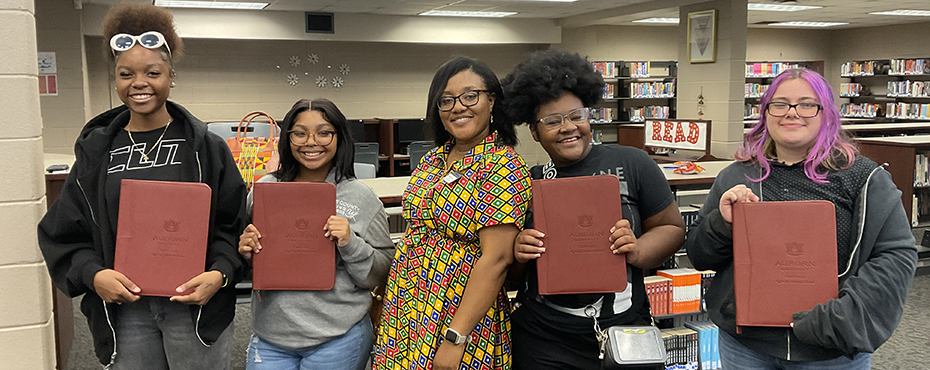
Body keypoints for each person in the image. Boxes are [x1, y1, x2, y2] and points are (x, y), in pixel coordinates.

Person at [36, 3, 247, 369]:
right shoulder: (97, 152)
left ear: (171, 75)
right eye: (125, 73)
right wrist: (94, 274)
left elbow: (233, 224)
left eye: (152, 72)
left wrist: (220, 272)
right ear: (115, 79)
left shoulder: (205, 148)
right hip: (126, 312)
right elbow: (64, 233)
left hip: (194, 309)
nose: (139, 83)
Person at [684, 68, 917, 369]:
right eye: (779, 104)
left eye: (807, 104)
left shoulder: (864, 178)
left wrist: (840, 319)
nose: (792, 113)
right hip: (747, 345)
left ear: (826, 113)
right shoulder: (737, 176)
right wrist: (722, 225)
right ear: (765, 113)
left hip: (829, 348)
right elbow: (700, 256)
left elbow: (896, 255)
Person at [500, 49, 686, 369]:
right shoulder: (526, 182)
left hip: (625, 330)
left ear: (589, 117)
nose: (568, 127)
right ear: (534, 131)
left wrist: (637, 249)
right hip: (545, 337)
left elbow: (672, 228)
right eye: (552, 121)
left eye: (576, 115)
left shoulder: (632, 162)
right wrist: (518, 251)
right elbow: (512, 277)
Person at [372, 56, 532, 370]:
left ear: (491, 100)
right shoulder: (432, 159)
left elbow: (496, 260)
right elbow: (415, 232)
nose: (458, 107)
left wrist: (456, 337)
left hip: (460, 316)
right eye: (446, 100)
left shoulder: (503, 165)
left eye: (470, 96)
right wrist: (383, 296)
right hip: (407, 307)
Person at [237, 98, 395, 370]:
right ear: (288, 138)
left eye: (324, 132)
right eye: (300, 133)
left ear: (339, 138)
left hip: (338, 336)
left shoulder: (361, 198)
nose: (311, 141)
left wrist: (350, 243)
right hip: (272, 334)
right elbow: (249, 265)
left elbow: (382, 272)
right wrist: (246, 250)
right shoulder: (265, 190)